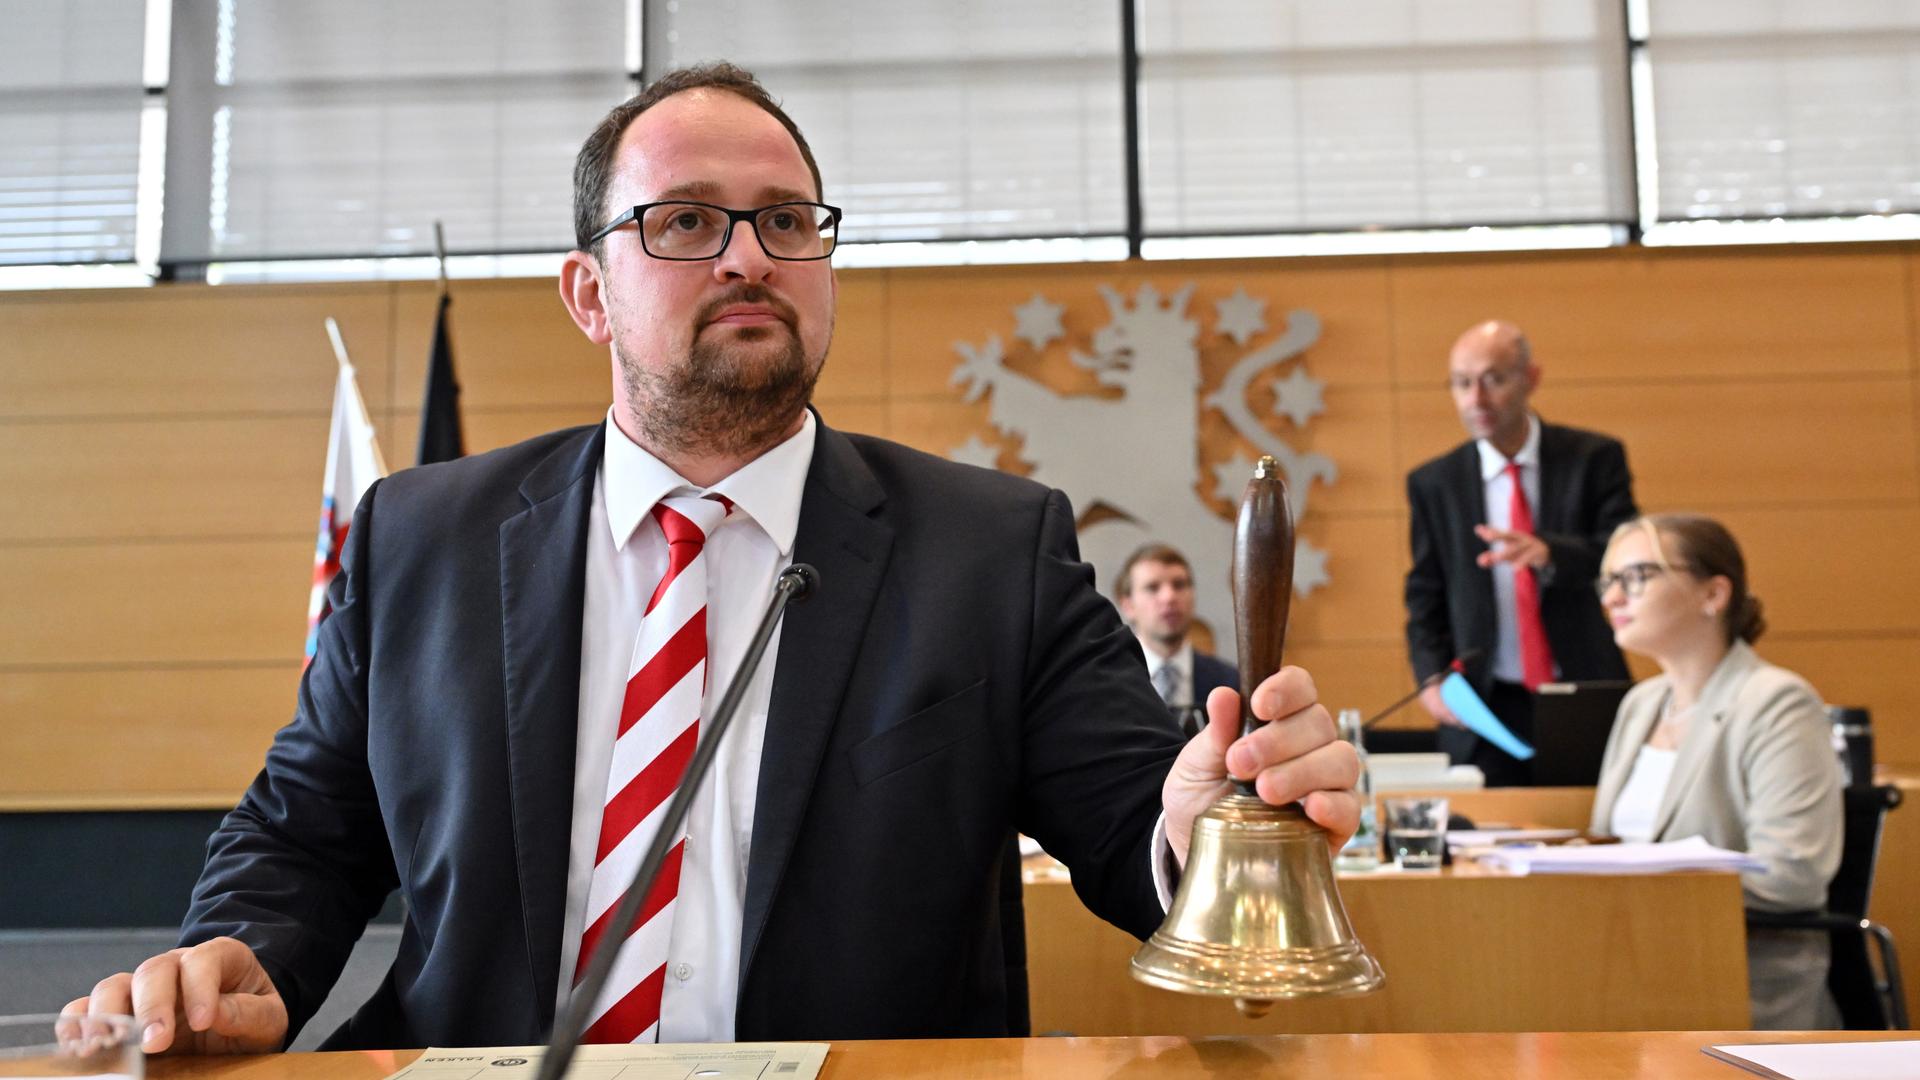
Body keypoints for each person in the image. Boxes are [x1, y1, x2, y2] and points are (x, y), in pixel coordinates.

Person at [66, 64, 1359, 1053]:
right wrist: (244, 954)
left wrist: (1207, 829)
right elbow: (303, 829)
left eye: (787, 221)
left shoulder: (992, 549)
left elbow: (1137, 823)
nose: (748, 256)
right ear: (589, 293)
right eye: (686, 221)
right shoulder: (422, 539)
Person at [1587, 514, 1842, 1030]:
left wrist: (1646, 879)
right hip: (1630, 972)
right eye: (1608, 582)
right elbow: (1607, 845)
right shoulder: (1641, 704)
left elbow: (1792, 876)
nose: (1613, 598)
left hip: (1740, 987)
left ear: (1713, 594)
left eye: (1636, 577)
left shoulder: (1775, 701)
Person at [1404, 320, 1637, 786]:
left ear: (1530, 378)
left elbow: (1627, 558)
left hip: (1580, 686)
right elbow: (1425, 595)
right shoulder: (1436, 483)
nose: (1477, 399)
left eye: (1493, 379)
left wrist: (1552, 554)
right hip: (1485, 701)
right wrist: (1431, 679)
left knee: (1594, 832)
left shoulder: (1594, 459)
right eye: (1462, 383)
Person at [1113, 543, 1239, 737]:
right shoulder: (1108, 685)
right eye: (1153, 587)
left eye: (1179, 585)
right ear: (1128, 605)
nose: (1169, 597)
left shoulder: (1232, 684)